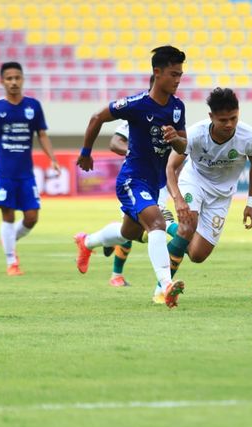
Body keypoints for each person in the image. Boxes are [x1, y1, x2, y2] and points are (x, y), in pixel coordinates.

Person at [74, 45, 187, 308]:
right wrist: (86, 151)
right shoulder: (136, 105)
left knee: (128, 233)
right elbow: (97, 117)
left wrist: (176, 139)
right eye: (173, 74)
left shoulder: (177, 107)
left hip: (156, 181)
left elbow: (184, 147)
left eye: (180, 74)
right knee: (157, 224)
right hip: (132, 180)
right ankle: (165, 285)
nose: (178, 79)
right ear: (157, 73)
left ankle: (87, 241)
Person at [163, 87, 252, 288]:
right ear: (211, 116)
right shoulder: (195, 134)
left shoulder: (249, 137)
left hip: (221, 195)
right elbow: (170, 168)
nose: (229, 124)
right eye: (223, 120)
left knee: (197, 255)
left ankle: (166, 223)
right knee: (188, 227)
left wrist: (250, 203)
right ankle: (162, 287)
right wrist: (178, 199)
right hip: (194, 182)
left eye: (233, 118)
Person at [0, 62, 59, 276]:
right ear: (2, 81)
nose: (13, 82)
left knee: (32, 217)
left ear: (22, 79)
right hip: (3, 171)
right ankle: (12, 261)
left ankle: (9, 239)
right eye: (9, 78)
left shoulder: (33, 106)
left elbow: (41, 134)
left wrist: (52, 158)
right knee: (8, 215)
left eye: (17, 78)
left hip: (25, 173)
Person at [104, 116, 175, 287]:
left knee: (137, 233)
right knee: (157, 225)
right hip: (135, 181)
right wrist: (136, 151)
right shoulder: (137, 114)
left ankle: (102, 240)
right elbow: (115, 143)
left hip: (159, 183)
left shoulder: (173, 116)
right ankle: (118, 275)